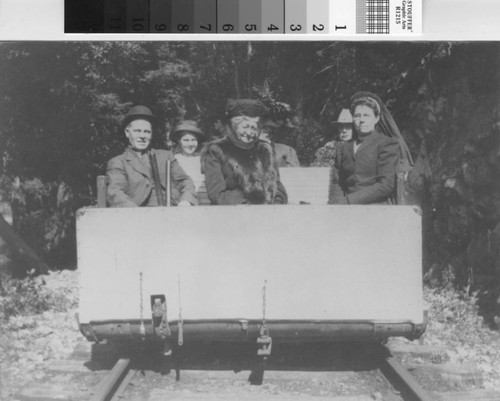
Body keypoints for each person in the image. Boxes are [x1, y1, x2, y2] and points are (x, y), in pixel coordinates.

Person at [106, 105, 197, 207]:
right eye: (137, 131)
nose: (142, 136)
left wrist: (186, 201)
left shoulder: (165, 156)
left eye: (147, 132)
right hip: (139, 216)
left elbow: (185, 182)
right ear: (127, 133)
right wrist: (136, 213)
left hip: (171, 213)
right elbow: (115, 192)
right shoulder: (119, 162)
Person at [201, 99, 288, 205]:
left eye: (254, 128)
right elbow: (216, 194)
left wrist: (277, 201)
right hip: (231, 212)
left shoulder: (265, 150)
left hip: (265, 212)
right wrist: (250, 203)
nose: (249, 133)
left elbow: (276, 185)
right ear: (234, 126)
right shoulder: (217, 150)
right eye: (245, 127)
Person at [328, 93, 400, 205]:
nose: (361, 120)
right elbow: (337, 182)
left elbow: (385, 185)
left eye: (366, 115)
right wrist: (337, 202)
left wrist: (349, 201)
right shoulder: (344, 147)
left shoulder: (387, 144)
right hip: (345, 209)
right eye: (357, 116)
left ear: (376, 119)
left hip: (375, 208)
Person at [171, 120, 206, 193]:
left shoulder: (203, 159)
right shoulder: (174, 160)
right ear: (179, 141)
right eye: (186, 140)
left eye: (193, 140)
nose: (190, 144)